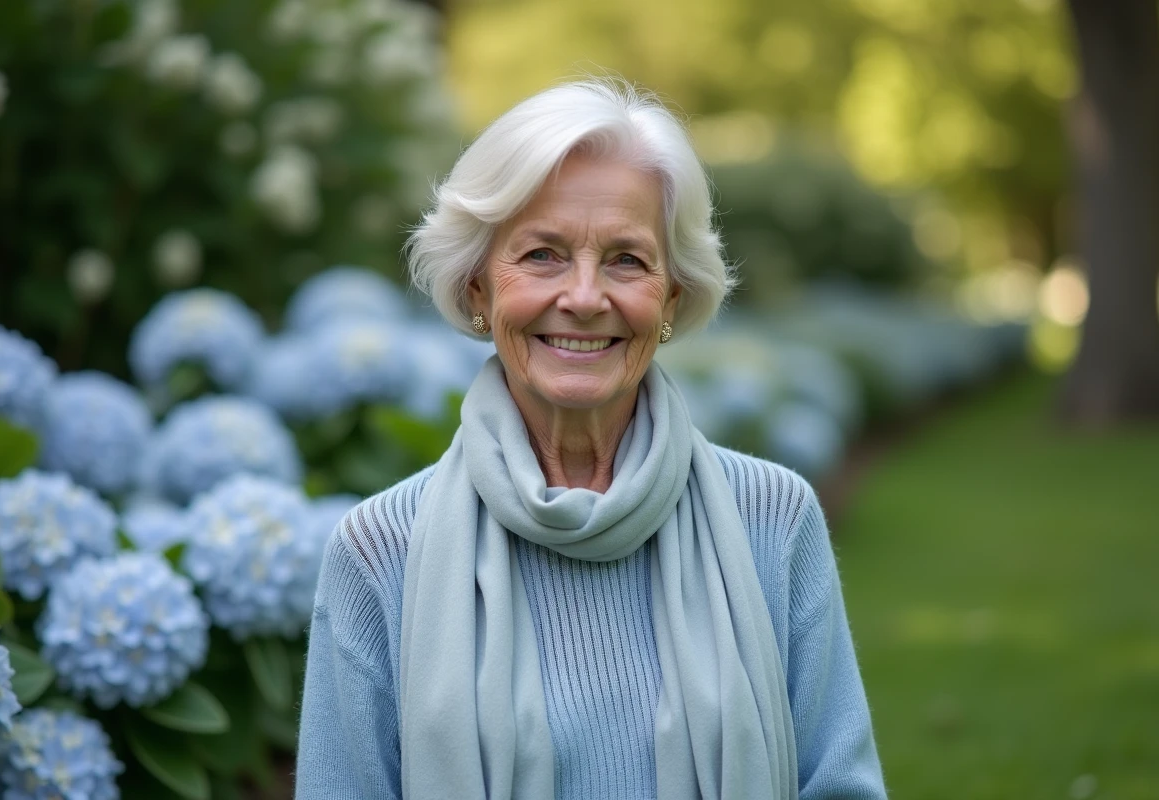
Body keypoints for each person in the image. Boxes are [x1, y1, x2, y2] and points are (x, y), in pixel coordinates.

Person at [295, 78, 886, 799]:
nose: (582, 297)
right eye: (542, 254)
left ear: (671, 298)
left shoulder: (774, 518)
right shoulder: (378, 550)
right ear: (479, 288)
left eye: (626, 260)